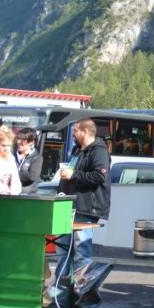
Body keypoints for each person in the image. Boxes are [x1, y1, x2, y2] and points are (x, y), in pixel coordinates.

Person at [54, 119, 110, 286]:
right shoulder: (78, 150)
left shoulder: (99, 151)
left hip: (86, 208)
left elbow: (100, 176)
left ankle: (79, 291)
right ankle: (59, 293)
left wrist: (74, 175)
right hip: (68, 206)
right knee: (63, 250)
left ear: (85, 131)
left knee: (81, 252)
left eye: (75, 131)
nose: (72, 134)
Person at [14, 128, 43, 195]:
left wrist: (13, 175)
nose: (18, 142)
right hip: (10, 195)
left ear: (31, 142)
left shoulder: (37, 158)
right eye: (18, 138)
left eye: (23, 139)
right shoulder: (12, 156)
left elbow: (32, 176)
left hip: (28, 197)